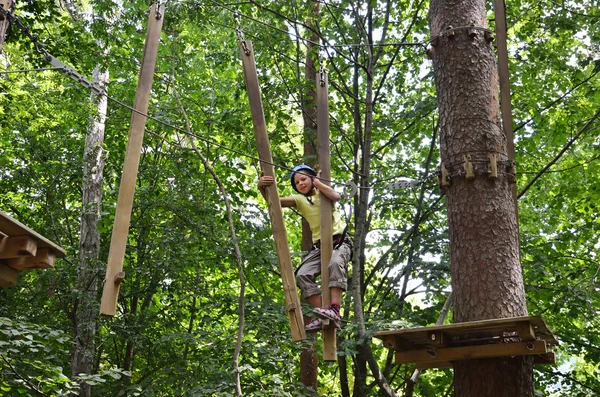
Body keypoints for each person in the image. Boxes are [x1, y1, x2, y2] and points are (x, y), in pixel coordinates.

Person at [257, 165, 351, 332]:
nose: (300, 183)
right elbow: (274, 203)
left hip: (339, 242)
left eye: (303, 179)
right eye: (297, 182)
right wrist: (261, 187)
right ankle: (323, 312)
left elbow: (335, 196)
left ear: (312, 179)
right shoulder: (300, 200)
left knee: (335, 264)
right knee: (302, 274)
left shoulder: (324, 192)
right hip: (319, 247)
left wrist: (319, 184)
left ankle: (335, 309)